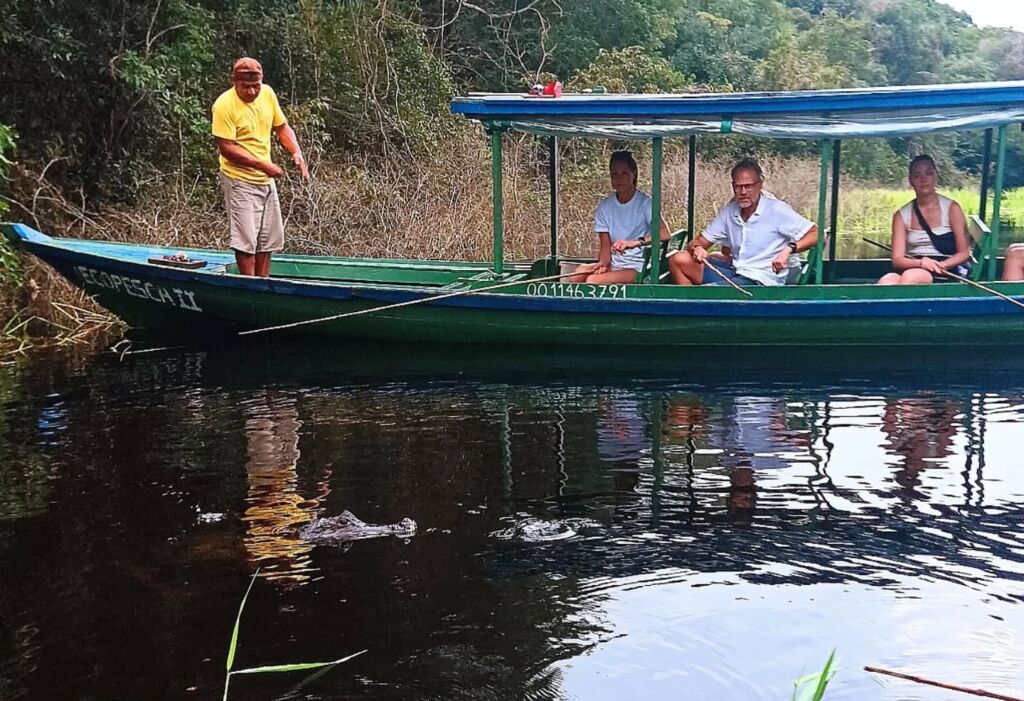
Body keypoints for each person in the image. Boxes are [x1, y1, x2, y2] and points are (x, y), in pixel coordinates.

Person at [212, 57, 310, 277]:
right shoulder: (224, 105)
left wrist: (296, 152)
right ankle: (249, 285)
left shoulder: (267, 94)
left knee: (267, 239)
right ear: (234, 81)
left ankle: (263, 283)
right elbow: (227, 147)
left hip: (265, 180)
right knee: (246, 241)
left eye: (255, 86)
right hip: (239, 179)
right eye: (245, 86)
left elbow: (282, 127)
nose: (251, 91)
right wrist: (263, 165)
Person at [668, 158, 817, 286]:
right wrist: (697, 248)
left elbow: (817, 234)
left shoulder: (776, 210)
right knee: (679, 259)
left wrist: (788, 249)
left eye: (748, 186)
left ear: (760, 185)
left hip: (761, 281)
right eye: (738, 187)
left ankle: (701, 305)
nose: (743, 192)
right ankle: (690, 308)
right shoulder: (730, 211)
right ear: (733, 186)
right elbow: (696, 242)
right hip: (737, 272)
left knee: (707, 293)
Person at [569, 149, 671, 284]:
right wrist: (603, 264)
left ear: (633, 174)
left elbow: (665, 234)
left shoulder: (646, 203)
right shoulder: (604, 207)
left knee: (592, 280)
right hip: (615, 264)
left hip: (638, 267)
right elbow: (605, 246)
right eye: (614, 174)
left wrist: (635, 242)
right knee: (577, 274)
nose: (619, 178)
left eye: (624, 173)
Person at [877, 155, 970, 285]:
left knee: (910, 278)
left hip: (946, 269)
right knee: (887, 281)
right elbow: (897, 260)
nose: (923, 179)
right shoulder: (901, 215)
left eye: (929, 173)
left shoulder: (952, 208)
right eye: (917, 175)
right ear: (911, 181)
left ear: (936, 177)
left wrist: (942, 265)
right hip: (913, 264)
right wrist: (920, 263)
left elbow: (964, 253)